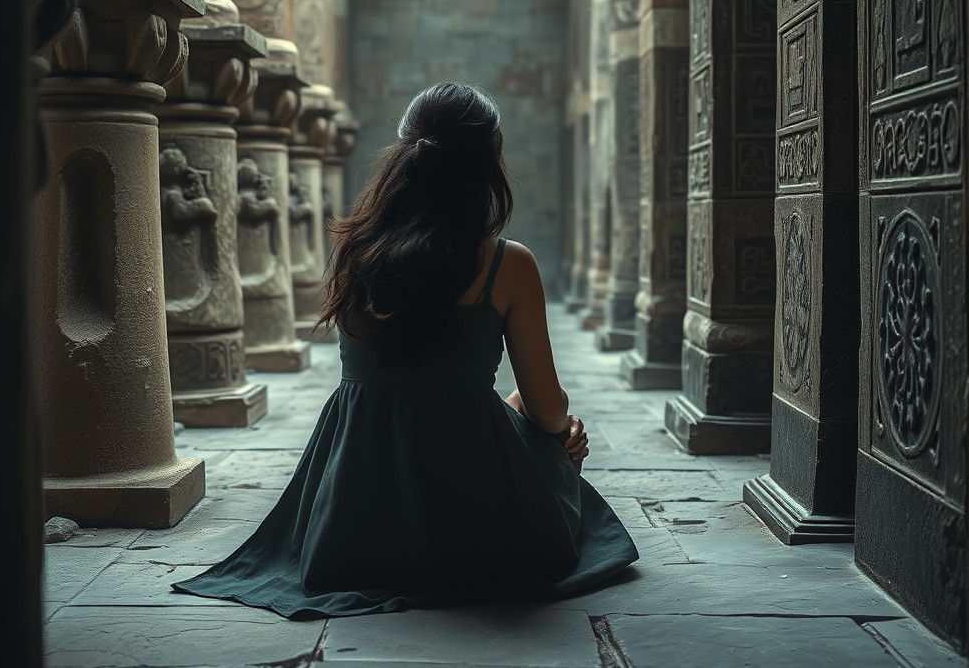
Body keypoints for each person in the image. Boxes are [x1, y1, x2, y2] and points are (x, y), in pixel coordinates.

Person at [173, 83, 638, 618]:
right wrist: (559, 432)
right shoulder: (507, 264)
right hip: (474, 523)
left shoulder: (354, 251)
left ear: (402, 157)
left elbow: (408, 388)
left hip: (353, 526)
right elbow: (546, 406)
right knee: (543, 426)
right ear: (488, 165)